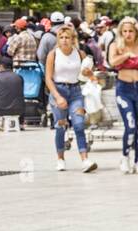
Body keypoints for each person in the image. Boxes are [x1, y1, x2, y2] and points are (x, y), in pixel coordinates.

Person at [108, 17, 138, 174]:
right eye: (125, 31)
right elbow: (112, 62)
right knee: (130, 126)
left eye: (130, 31)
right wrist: (126, 55)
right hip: (124, 89)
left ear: (136, 32)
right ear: (120, 33)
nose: (128, 34)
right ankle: (125, 157)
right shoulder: (116, 46)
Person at [44, 23, 96, 172]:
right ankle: (60, 159)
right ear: (58, 40)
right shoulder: (53, 54)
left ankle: (85, 160)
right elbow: (48, 78)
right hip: (58, 90)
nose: (65, 40)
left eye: (67, 37)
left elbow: (87, 75)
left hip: (75, 91)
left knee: (79, 124)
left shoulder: (80, 54)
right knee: (60, 126)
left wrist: (88, 74)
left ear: (73, 39)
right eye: (61, 37)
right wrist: (57, 96)